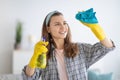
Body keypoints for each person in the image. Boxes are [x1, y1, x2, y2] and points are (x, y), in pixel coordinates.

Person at [22, 9, 115, 80]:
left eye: (65, 23)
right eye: (57, 24)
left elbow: (107, 47)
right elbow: (28, 77)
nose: (63, 27)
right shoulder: (43, 53)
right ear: (48, 29)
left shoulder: (80, 49)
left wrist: (95, 27)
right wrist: (34, 57)